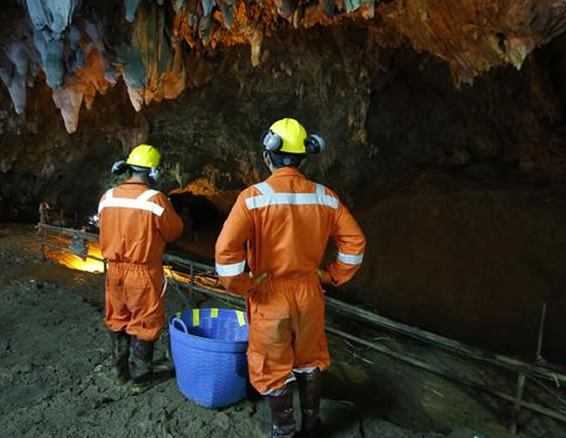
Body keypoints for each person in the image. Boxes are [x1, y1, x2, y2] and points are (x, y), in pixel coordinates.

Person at [215, 118, 366, 437]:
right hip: (309, 292)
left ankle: (283, 431)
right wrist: (331, 276)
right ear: (303, 156)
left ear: (269, 155)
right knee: (310, 359)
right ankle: (313, 425)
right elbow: (355, 243)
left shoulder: (252, 198)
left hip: (269, 294)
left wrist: (244, 285)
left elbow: (226, 253)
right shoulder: (326, 197)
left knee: (272, 366)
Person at [98, 144, 183, 394]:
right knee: (145, 322)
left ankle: (119, 372)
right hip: (143, 272)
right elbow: (174, 231)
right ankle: (141, 377)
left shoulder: (108, 197)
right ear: (154, 172)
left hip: (113, 271)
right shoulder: (156, 200)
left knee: (117, 318)